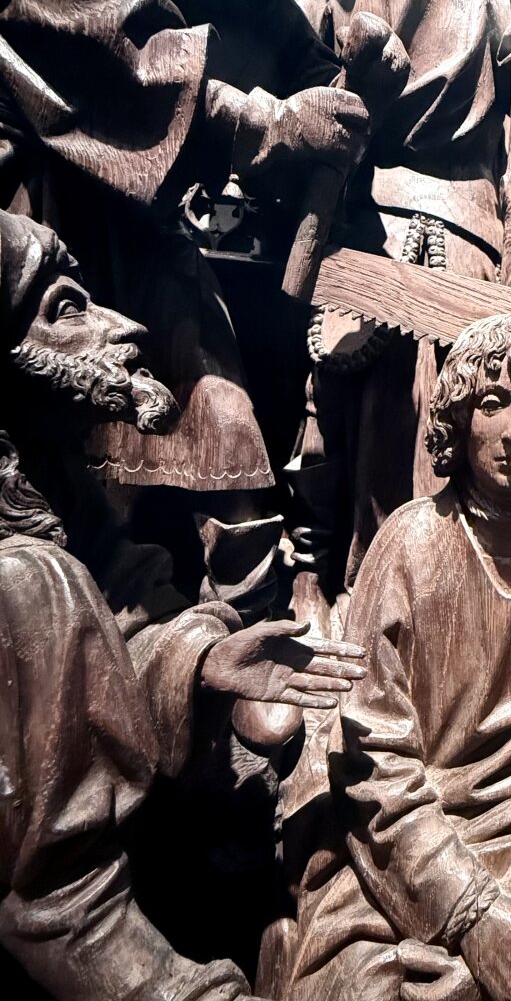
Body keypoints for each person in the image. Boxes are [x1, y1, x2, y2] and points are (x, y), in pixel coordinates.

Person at [0, 211, 366, 999]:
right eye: (66, 308)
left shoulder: (48, 476)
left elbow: (125, 602)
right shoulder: (25, 575)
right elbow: (63, 900)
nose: (123, 326)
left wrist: (199, 659)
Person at [262, 314, 511, 1001]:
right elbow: (373, 757)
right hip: (406, 862)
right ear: (458, 418)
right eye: (492, 403)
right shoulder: (408, 544)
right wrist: (471, 918)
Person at [0, 0, 376, 598]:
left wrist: (348, 89)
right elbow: (97, 52)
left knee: (219, 418)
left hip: (137, 222)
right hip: (40, 217)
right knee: (65, 483)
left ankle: (243, 619)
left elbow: (273, 34)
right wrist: (265, 125)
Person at [287, 0, 511, 639]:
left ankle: (445, 611)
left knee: (449, 424)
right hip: (356, 234)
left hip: (463, 239)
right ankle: (335, 588)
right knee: (340, 419)